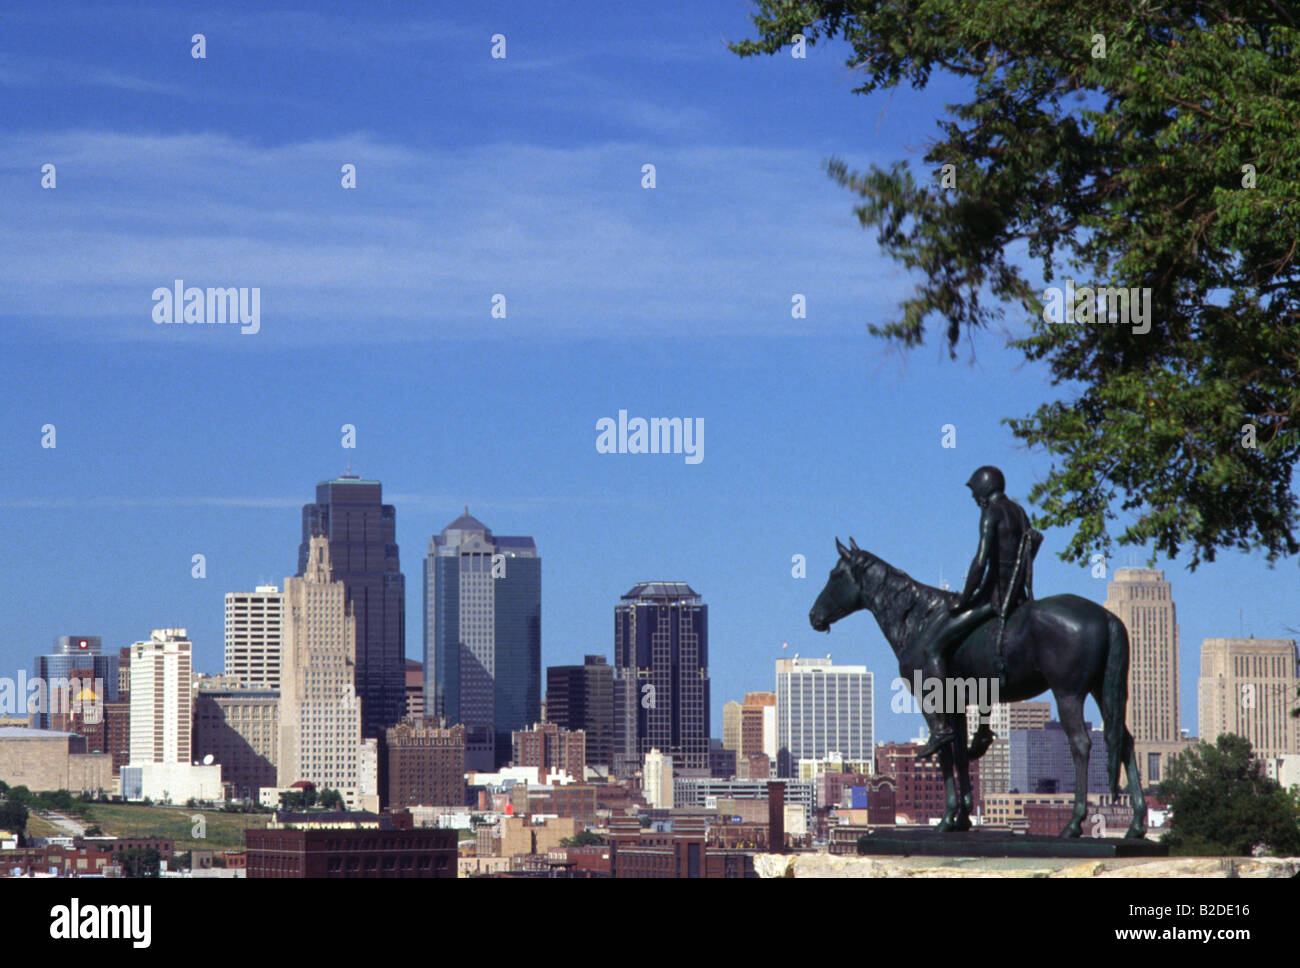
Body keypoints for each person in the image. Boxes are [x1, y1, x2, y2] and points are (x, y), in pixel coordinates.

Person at [915, 466, 1040, 759]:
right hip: (1018, 595)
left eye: (974, 492)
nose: (973, 498)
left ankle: (941, 726)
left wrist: (965, 599)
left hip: (994, 598)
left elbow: (981, 561)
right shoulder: (1019, 513)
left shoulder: (991, 513)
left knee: (934, 646)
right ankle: (982, 726)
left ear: (984, 489)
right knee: (979, 657)